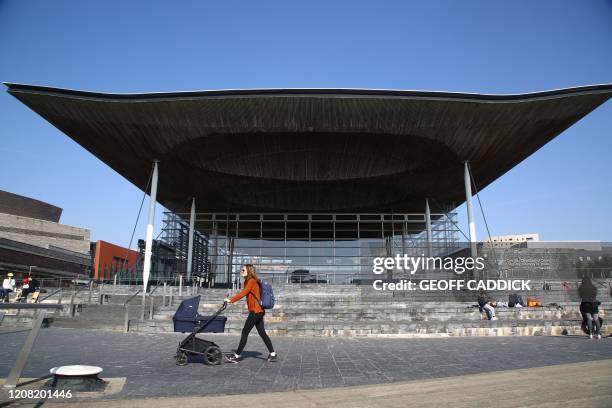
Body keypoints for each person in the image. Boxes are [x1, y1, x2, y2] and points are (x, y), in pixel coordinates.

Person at [224, 264, 277, 363]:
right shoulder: (247, 281)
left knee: (245, 332)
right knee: (262, 333)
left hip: (256, 311)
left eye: (243, 270)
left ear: (249, 270)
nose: (241, 271)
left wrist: (230, 300)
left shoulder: (251, 281)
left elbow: (243, 293)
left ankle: (237, 355)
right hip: (258, 311)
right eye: (241, 269)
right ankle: (273, 354)